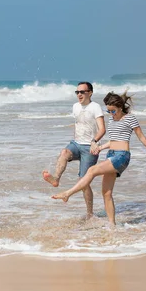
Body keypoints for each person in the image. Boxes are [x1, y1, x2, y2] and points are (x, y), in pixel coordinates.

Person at [51, 91, 146, 226]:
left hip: (122, 156)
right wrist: (100, 147)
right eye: (109, 111)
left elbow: (141, 136)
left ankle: (68, 193)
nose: (111, 114)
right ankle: (112, 226)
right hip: (111, 154)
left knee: (91, 170)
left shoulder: (130, 118)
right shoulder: (111, 120)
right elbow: (113, 140)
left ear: (120, 108)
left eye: (113, 111)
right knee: (106, 193)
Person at [42, 81, 105, 219]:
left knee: (84, 182)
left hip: (90, 147)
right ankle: (56, 179)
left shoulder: (95, 107)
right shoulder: (75, 106)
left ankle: (89, 214)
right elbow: (79, 124)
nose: (79, 94)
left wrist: (94, 142)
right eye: (77, 92)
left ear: (90, 93)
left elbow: (102, 129)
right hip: (76, 144)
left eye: (82, 92)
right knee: (64, 153)